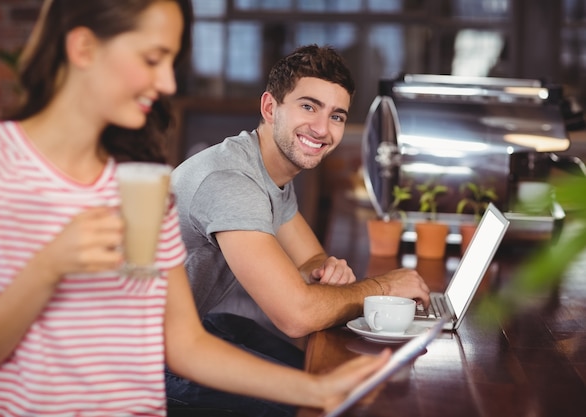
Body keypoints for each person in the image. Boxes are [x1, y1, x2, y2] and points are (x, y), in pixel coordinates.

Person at [0, 1, 394, 416]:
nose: (168, 83)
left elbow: (182, 342)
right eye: (153, 59)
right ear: (84, 48)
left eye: (171, 62)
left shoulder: (140, 182)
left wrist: (316, 389)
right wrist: (46, 270)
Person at [167, 44, 432, 409]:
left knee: (321, 377)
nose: (322, 129)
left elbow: (311, 260)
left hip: (191, 328)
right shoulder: (231, 181)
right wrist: (385, 287)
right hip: (140, 362)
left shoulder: (269, 170)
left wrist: (323, 272)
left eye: (337, 116)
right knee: (315, 404)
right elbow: (295, 315)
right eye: (308, 106)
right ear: (270, 108)